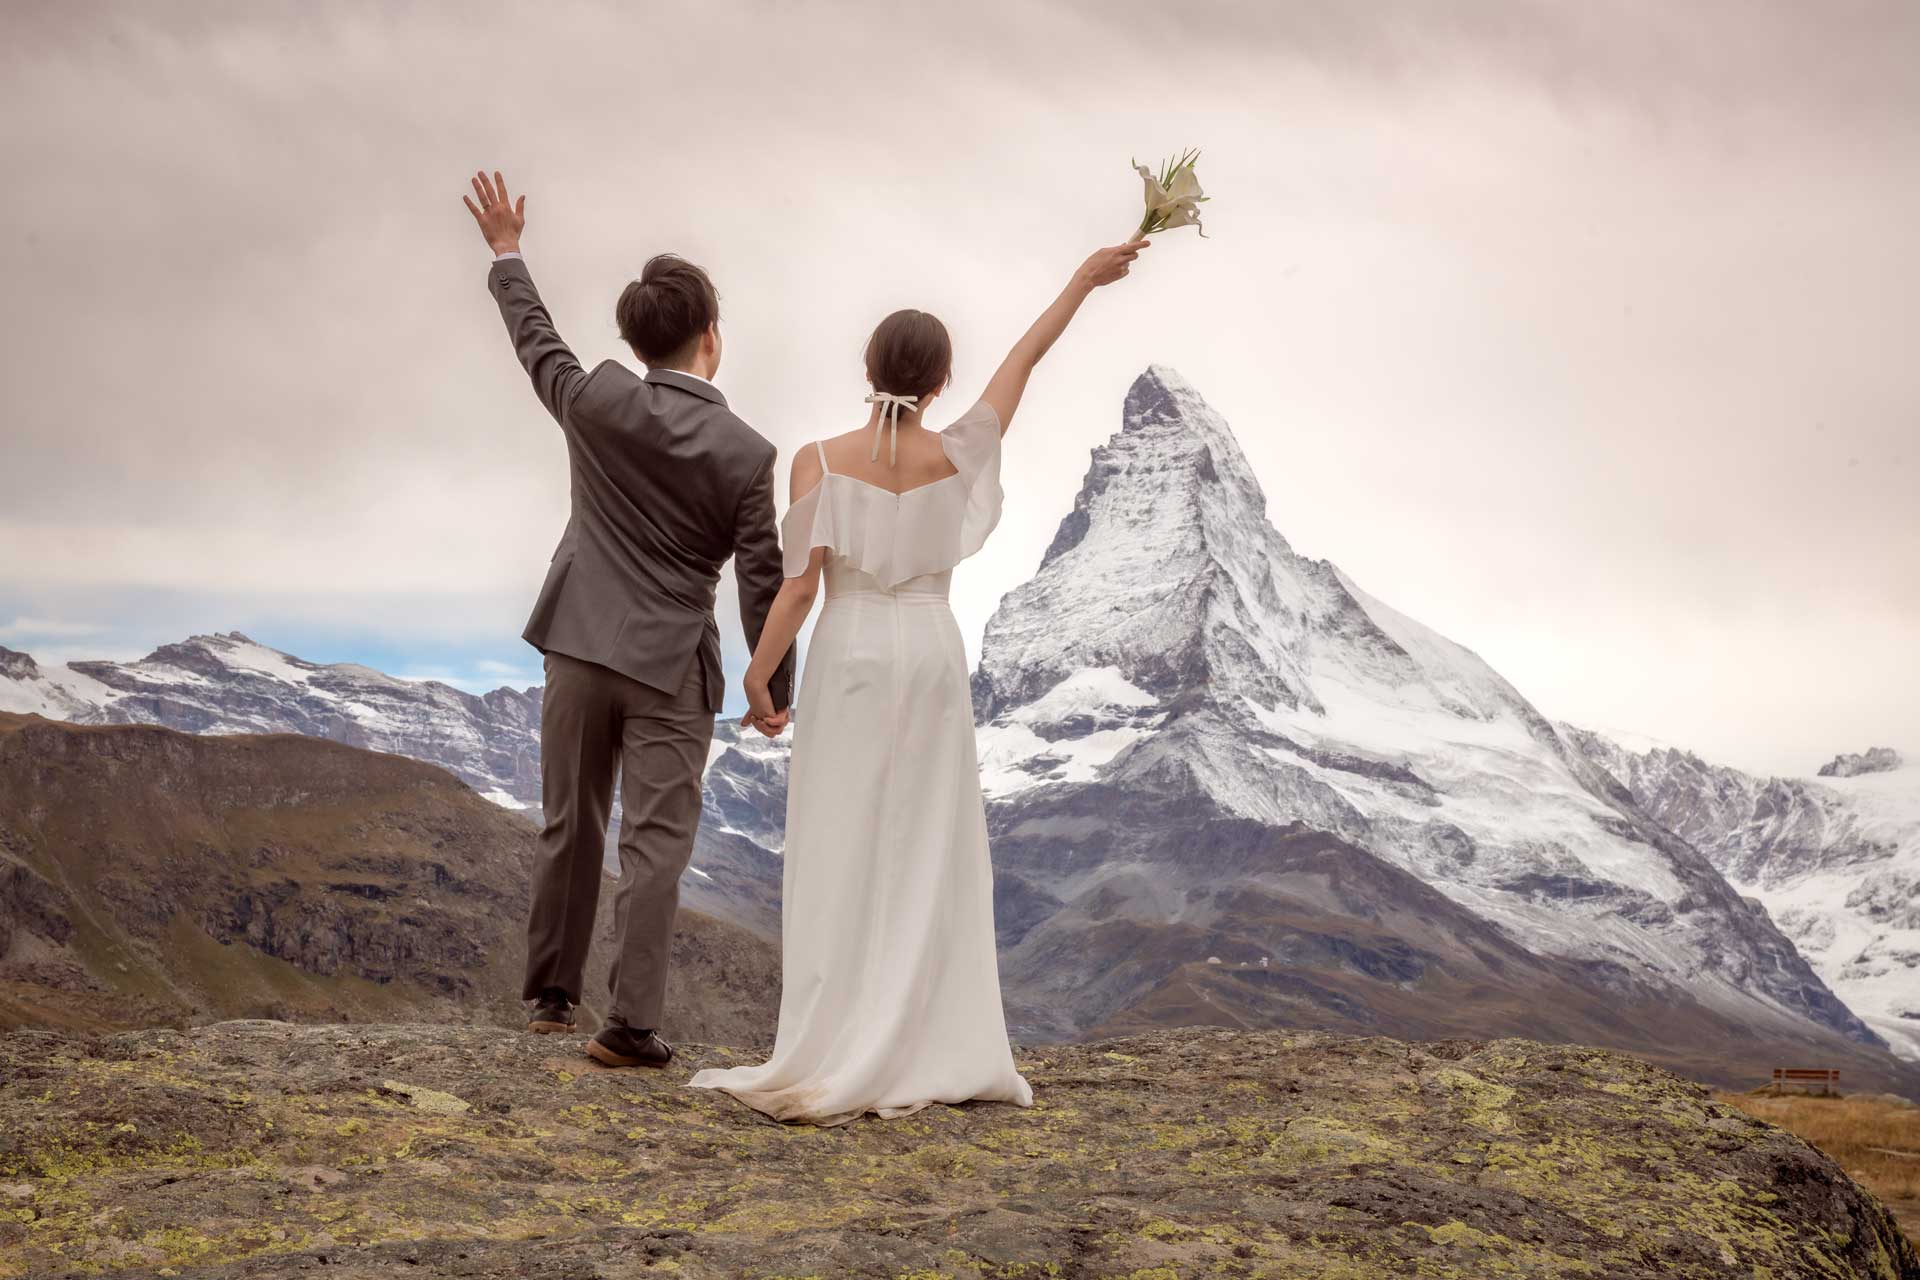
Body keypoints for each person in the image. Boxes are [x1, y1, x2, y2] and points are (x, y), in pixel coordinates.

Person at [686, 236, 1148, 1124]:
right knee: (928, 841)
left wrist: (757, 676)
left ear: (869, 370)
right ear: (939, 382)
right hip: (930, 649)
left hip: (852, 647)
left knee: (842, 837)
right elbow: (1025, 359)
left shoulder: (818, 459)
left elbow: (800, 587)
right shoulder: (958, 451)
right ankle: (931, 1036)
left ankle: (838, 1036)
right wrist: (1083, 279)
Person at [463, 170, 795, 1069]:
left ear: (637, 340)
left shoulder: (597, 399)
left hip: (576, 642)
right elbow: (761, 577)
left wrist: (506, 252)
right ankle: (630, 1026)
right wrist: (773, 686)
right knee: (654, 847)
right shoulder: (747, 453)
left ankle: (549, 998)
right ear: (711, 339)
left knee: (569, 822)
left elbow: (537, 344)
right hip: (668, 666)